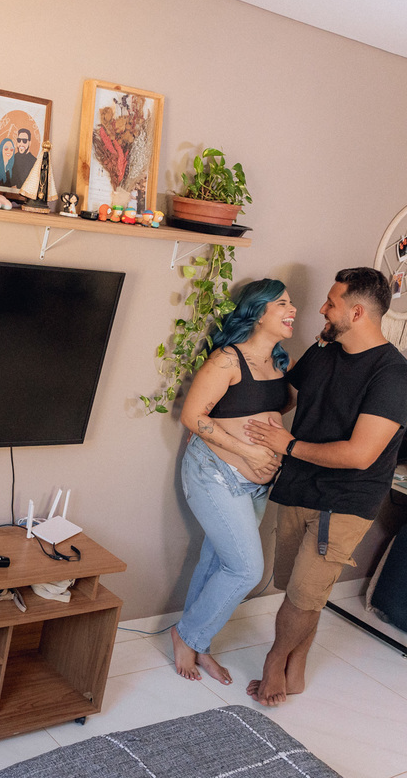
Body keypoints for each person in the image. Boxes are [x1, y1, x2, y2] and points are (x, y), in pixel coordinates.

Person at [243, 267, 407, 706]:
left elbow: (360, 454)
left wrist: (288, 445)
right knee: (299, 590)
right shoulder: (324, 351)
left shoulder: (393, 375)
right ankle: (296, 668)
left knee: (304, 593)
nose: (321, 309)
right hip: (297, 486)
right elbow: (286, 396)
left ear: (356, 313)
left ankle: (274, 662)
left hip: (345, 500)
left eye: (331, 303)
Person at [172, 279, 296, 684]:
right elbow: (192, 416)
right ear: (258, 312)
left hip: (256, 484)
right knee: (246, 569)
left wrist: (269, 443)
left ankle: (199, 644)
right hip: (214, 473)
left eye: (291, 303)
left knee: (217, 560)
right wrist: (249, 451)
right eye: (282, 303)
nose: (292, 310)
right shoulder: (228, 359)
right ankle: (186, 635)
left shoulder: (280, 363)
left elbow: (264, 407)